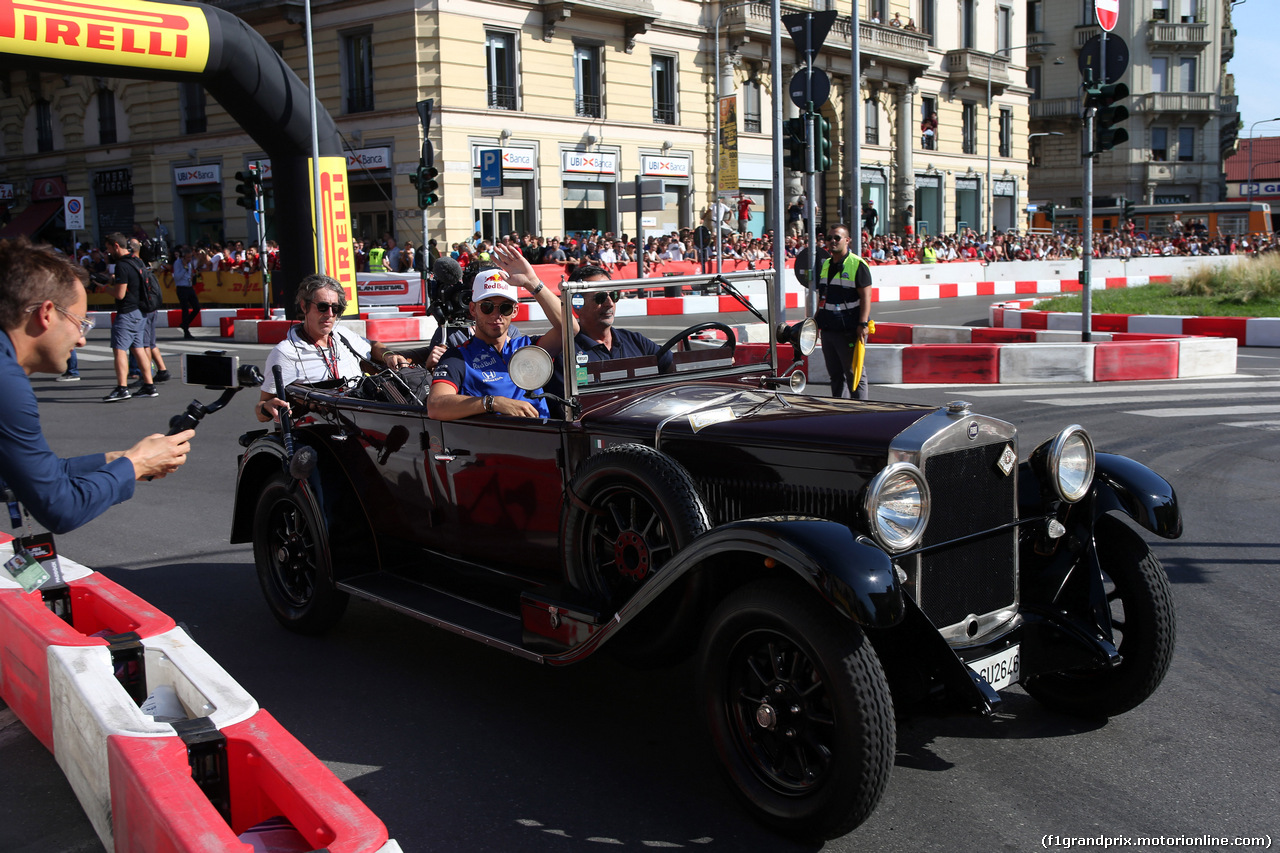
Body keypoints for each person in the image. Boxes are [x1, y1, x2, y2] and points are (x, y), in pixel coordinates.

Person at [0, 239, 194, 534]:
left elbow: (38, 474)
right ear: (47, 313)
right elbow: (61, 507)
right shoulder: (7, 383)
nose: (81, 340)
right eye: (81, 322)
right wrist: (137, 463)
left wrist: (115, 460)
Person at [427, 244, 576, 421]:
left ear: (514, 311)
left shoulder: (528, 347)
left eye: (504, 308)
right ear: (473, 309)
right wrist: (493, 403)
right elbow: (436, 405)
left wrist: (533, 283)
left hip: (546, 440)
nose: (496, 315)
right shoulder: (457, 357)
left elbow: (570, 329)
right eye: (487, 307)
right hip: (497, 443)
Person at [256, 274, 405, 423]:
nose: (330, 314)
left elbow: (373, 346)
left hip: (367, 417)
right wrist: (267, 407)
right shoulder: (285, 352)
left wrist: (388, 355)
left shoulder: (343, 335)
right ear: (304, 306)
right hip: (326, 428)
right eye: (322, 307)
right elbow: (261, 409)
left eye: (335, 308)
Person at [813, 225, 872, 400]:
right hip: (829, 328)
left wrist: (862, 324)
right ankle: (841, 412)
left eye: (837, 238)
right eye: (829, 238)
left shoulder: (857, 264)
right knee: (836, 376)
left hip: (850, 329)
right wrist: (816, 322)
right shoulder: (826, 265)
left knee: (855, 375)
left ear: (847, 240)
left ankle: (861, 413)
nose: (832, 241)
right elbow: (823, 297)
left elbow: (866, 297)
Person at [102, 232, 159, 402]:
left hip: (126, 312)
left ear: (116, 246)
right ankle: (149, 385)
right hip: (141, 312)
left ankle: (122, 388)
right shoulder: (137, 261)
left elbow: (120, 294)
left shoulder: (122, 265)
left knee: (119, 349)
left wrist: (105, 288)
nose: (108, 252)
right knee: (138, 348)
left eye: (109, 248)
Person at [171, 245, 199, 339]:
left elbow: (189, 274)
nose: (189, 259)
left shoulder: (189, 264)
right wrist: (184, 268)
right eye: (187, 257)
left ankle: (185, 323)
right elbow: (177, 277)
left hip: (189, 286)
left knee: (196, 307)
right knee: (185, 309)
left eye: (190, 257)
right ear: (183, 257)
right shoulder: (178, 263)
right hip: (181, 288)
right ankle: (186, 331)